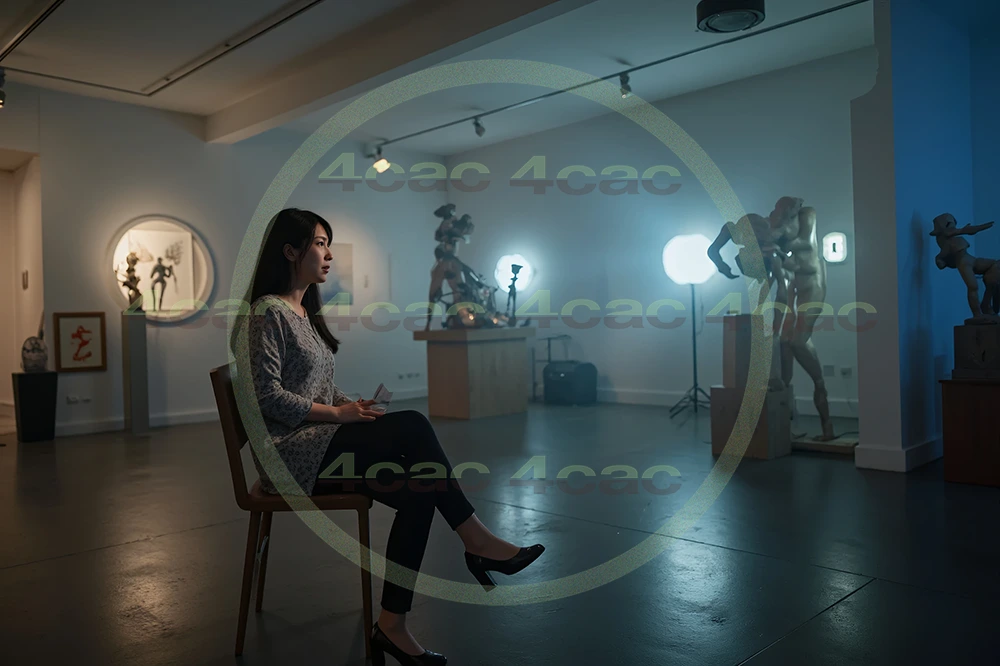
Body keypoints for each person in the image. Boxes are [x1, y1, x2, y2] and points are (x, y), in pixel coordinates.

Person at [239, 208, 544, 665]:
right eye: (319, 244)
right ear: (289, 251)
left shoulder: (303, 311)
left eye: (328, 244)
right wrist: (338, 415)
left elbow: (317, 387)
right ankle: (476, 541)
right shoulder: (267, 312)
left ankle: (392, 625)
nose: (328, 254)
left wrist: (353, 407)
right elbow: (267, 397)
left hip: (318, 444)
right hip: (289, 458)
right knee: (414, 424)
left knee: (420, 490)